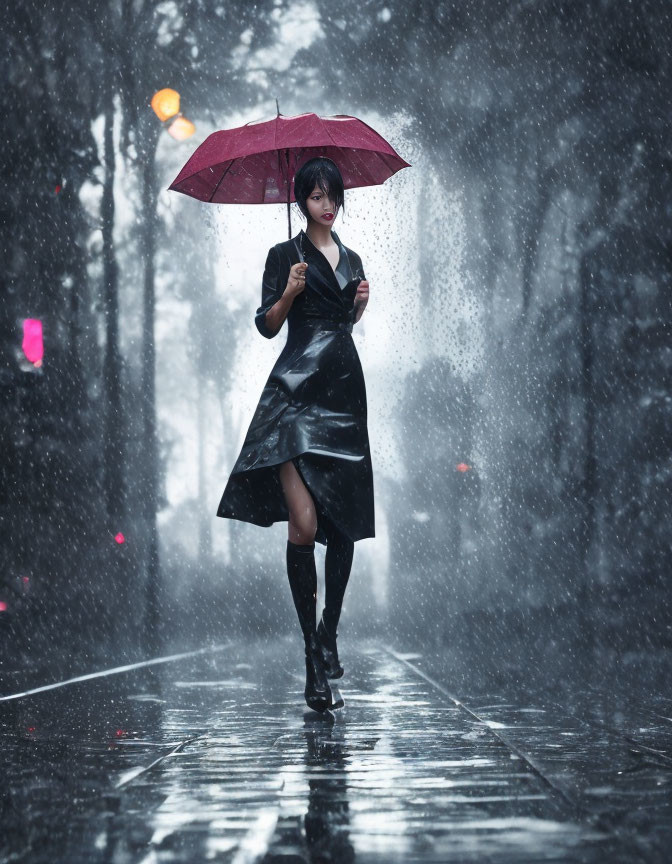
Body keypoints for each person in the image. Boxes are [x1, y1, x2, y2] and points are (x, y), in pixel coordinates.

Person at [217, 156, 374, 712]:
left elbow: (342, 327)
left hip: (343, 394)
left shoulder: (351, 257)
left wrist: (357, 309)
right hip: (293, 394)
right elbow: (267, 325)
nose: (325, 203)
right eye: (314, 195)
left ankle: (330, 629)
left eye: (332, 194)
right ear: (301, 200)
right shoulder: (284, 256)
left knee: (346, 521)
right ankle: (312, 657)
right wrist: (288, 291)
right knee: (304, 525)